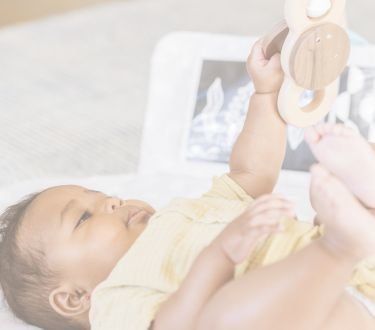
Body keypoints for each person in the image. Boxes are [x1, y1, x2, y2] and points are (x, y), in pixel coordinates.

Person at [0, 40, 375, 330]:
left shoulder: (182, 213)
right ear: (73, 298)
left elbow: (250, 172)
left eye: (103, 198)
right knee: (219, 322)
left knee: (336, 189)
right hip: (323, 312)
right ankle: (338, 245)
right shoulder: (114, 299)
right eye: (83, 218)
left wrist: (264, 95)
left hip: (362, 264)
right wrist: (222, 254)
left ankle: (359, 196)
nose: (112, 203)